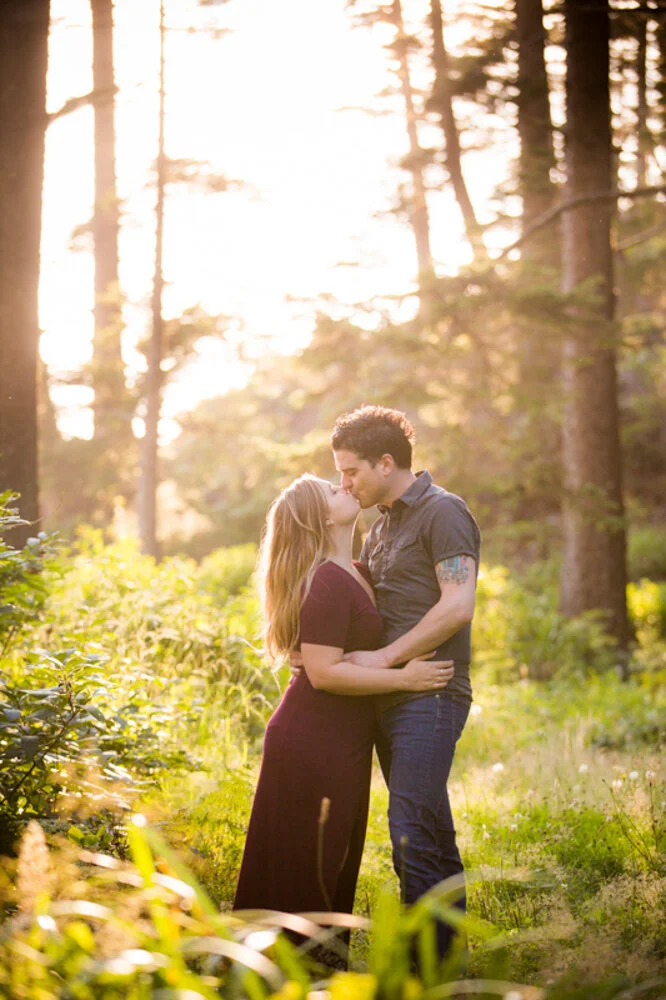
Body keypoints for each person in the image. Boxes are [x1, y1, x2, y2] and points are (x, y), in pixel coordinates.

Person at [233, 473, 453, 967]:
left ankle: (313, 970)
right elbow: (326, 674)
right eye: (332, 490)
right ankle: (286, 971)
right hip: (311, 738)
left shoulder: (354, 569)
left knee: (332, 852)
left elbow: (335, 655)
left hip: (337, 737)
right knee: (307, 859)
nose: (344, 486)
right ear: (319, 518)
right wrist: (403, 678)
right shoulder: (327, 581)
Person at [330, 405, 480, 961]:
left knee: (410, 831)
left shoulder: (444, 511)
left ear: (386, 463)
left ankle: (424, 975)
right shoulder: (381, 525)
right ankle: (449, 969)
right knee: (431, 832)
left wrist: (386, 660)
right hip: (391, 695)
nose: (345, 483)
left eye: (351, 471)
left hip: (431, 692)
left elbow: (458, 605)